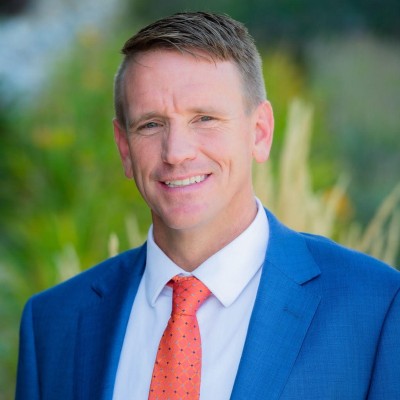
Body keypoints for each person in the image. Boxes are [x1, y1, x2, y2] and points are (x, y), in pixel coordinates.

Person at [16, 11, 400, 400]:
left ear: (260, 132)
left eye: (204, 118)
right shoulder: (53, 324)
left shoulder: (375, 307)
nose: (176, 152)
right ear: (124, 148)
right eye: (151, 124)